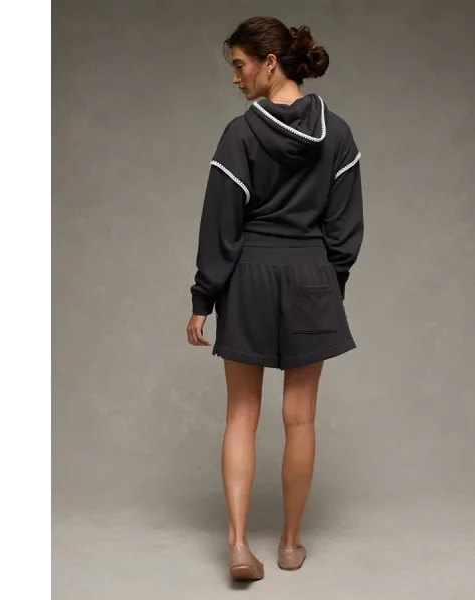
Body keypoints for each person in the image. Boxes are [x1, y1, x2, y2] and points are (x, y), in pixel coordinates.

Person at [187, 16, 364, 581]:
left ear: (269, 63)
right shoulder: (338, 134)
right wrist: (325, 287)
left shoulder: (239, 135)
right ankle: (290, 544)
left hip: (249, 278)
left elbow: (221, 224)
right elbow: (345, 231)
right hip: (312, 276)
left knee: (241, 414)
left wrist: (203, 298)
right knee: (300, 419)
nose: (234, 77)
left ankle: (239, 544)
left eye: (239, 65)